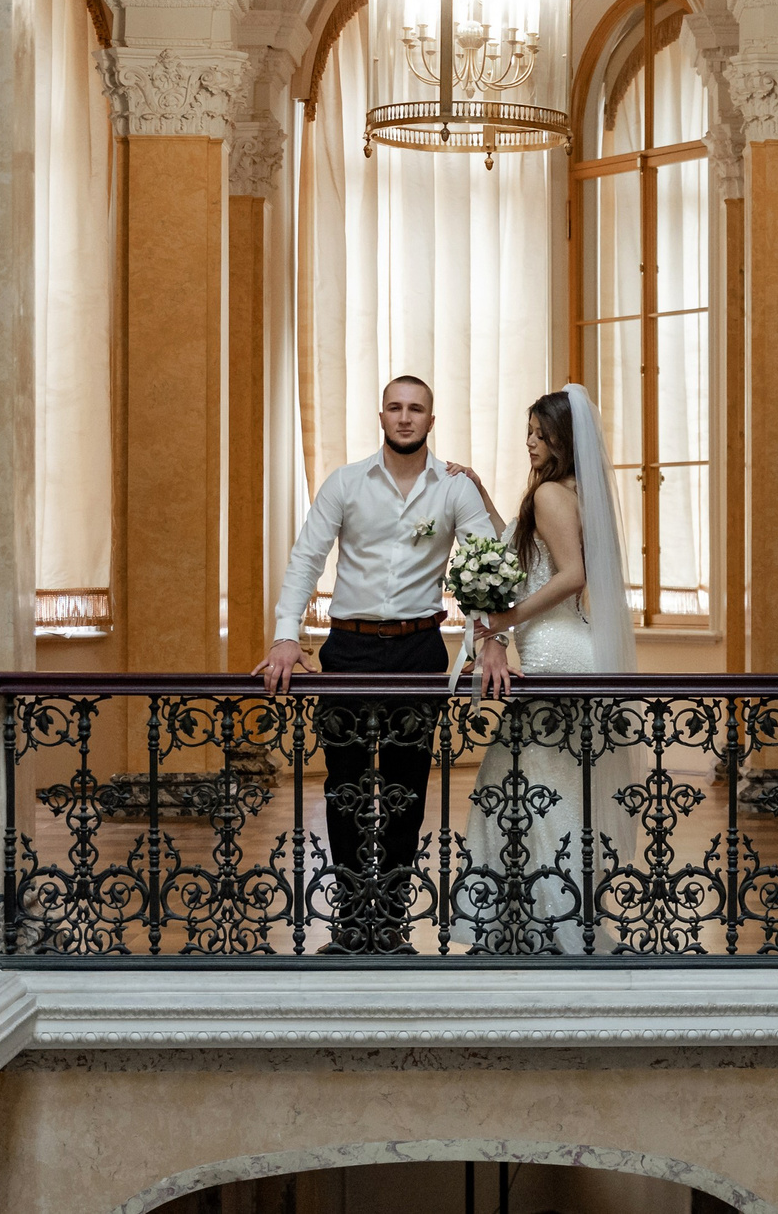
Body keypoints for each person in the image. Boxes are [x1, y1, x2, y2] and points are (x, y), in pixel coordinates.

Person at [259, 375, 497, 952]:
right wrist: (286, 638)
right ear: (381, 416)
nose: (406, 417)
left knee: (406, 789)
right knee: (343, 787)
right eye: (396, 407)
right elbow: (304, 561)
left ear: (431, 421)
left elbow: (489, 568)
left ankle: (389, 917)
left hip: (419, 652)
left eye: (417, 409)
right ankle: (349, 915)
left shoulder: (454, 489)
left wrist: (491, 641)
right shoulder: (344, 483)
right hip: (348, 650)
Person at [448, 384, 638, 954]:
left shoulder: (554, 493)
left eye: (539, 432)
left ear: (563, 436)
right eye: (527, 433)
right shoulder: (572, 492)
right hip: (572, 645)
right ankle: (549, 917)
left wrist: (502, 620)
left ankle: (541, 922)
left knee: (520, 787)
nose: (530, 442)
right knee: (544, 787)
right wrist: (480, 491)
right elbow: (524, 549)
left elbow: (571, 575)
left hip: (557, 652)